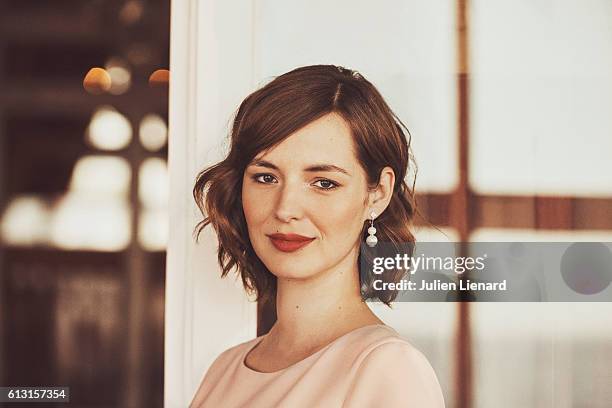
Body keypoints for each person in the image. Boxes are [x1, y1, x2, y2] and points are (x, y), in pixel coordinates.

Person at [189, 65, 445, 407]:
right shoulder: (224, 370)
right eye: (266, 178)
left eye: (324, 183)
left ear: (377, 194)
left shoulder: (387, 368)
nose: (285, 208)